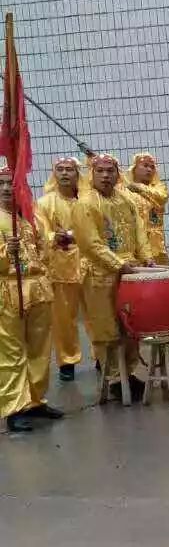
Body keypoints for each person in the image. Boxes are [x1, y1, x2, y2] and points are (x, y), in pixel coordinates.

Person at [71, 153, 153, 401]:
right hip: (100, 274)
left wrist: (146, 257)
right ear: (92, 174)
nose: (106, 176)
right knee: (106, 327)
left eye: (110, 171)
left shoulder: (126, 199)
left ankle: (130, 372)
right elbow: (91, 244)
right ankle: (114, 376)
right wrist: (118, 264)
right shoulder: (85, 204)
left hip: (129, 272)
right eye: (100, 171)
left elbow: (139, 230)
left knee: (131, 324)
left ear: (118, 174)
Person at [1, 163, 63, 432]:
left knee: (39, 349)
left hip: (37, 288)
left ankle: (35, 400)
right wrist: (5, 252)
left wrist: (54, 242)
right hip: (7, 290)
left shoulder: (31, 217)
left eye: (11, 184)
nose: (5, 189)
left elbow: (43, 250)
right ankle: (14, 407)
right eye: (1, 184)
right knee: (11, 352)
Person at [36, 156, 91, 382]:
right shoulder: (44, 203)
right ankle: (67, 361)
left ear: (78, 174)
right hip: (60, 266)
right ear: (54, 174)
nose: (65, 173)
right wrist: (53, 237)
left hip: (89, 263)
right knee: (63, 319)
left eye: (70, 169)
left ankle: (101, 356)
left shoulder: (88, 200)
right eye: (60, 169)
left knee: (95, 314)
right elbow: (40, 234)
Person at [122, 152, 169, 265]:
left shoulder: (160, 187)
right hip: (133, 241)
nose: (149, 170)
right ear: (134, 168)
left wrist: (138, 187)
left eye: (152, 167)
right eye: (145, 166)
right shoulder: (124, 189)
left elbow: (162, 197)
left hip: (156, 243)